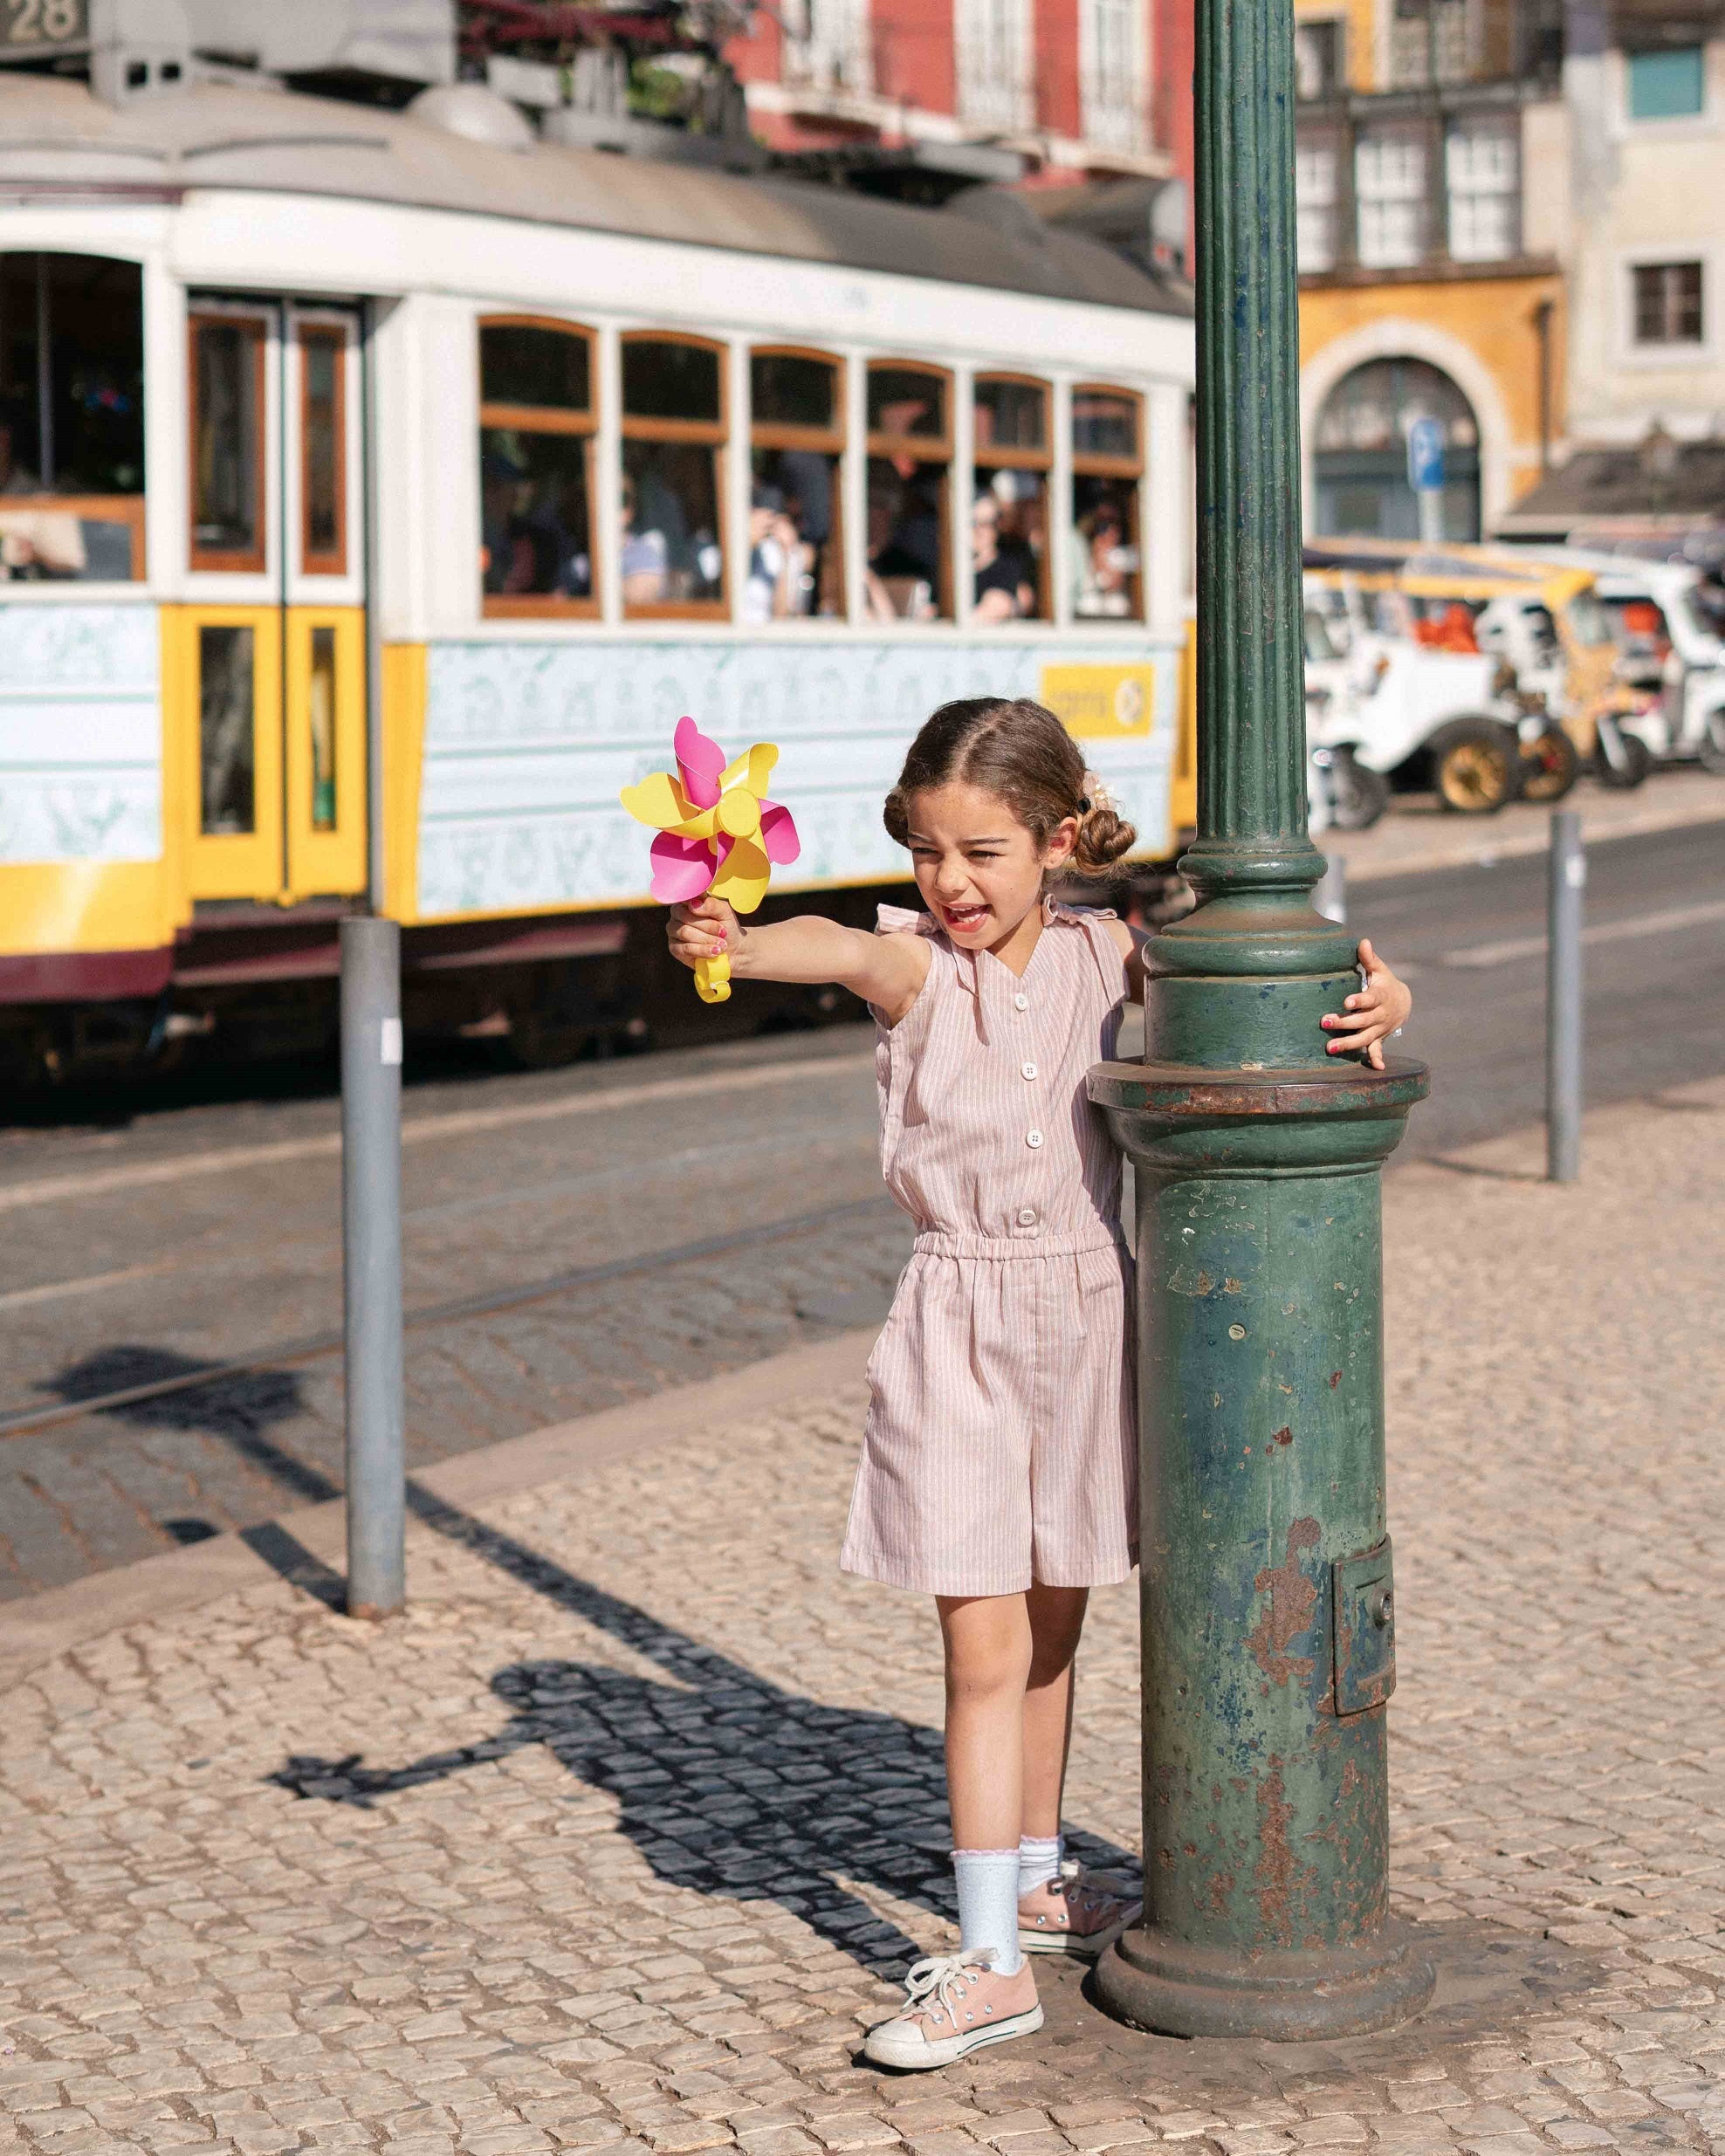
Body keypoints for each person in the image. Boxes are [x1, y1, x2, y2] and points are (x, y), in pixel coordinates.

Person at [665, 698, 1413, 2070]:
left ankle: (1038, 1877)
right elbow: (831, 943)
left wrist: (1384, 997)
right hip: (960, 1318)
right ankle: (991, 1960)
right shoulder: (915, 972)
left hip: (1086, 1313)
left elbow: (1268, 989)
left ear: (1058, 842)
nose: (951, 881)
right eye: (930, 850)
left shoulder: (1109, 954)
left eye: (985, 852)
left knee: (1056, 1620)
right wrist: (735, 936)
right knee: (981, 1645)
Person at [971, 491, 1033, 622]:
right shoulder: (948, 569)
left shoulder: (1009, 567)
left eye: (988, 523)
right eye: (973, 523)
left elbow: (1000, 604)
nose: (980, 530)